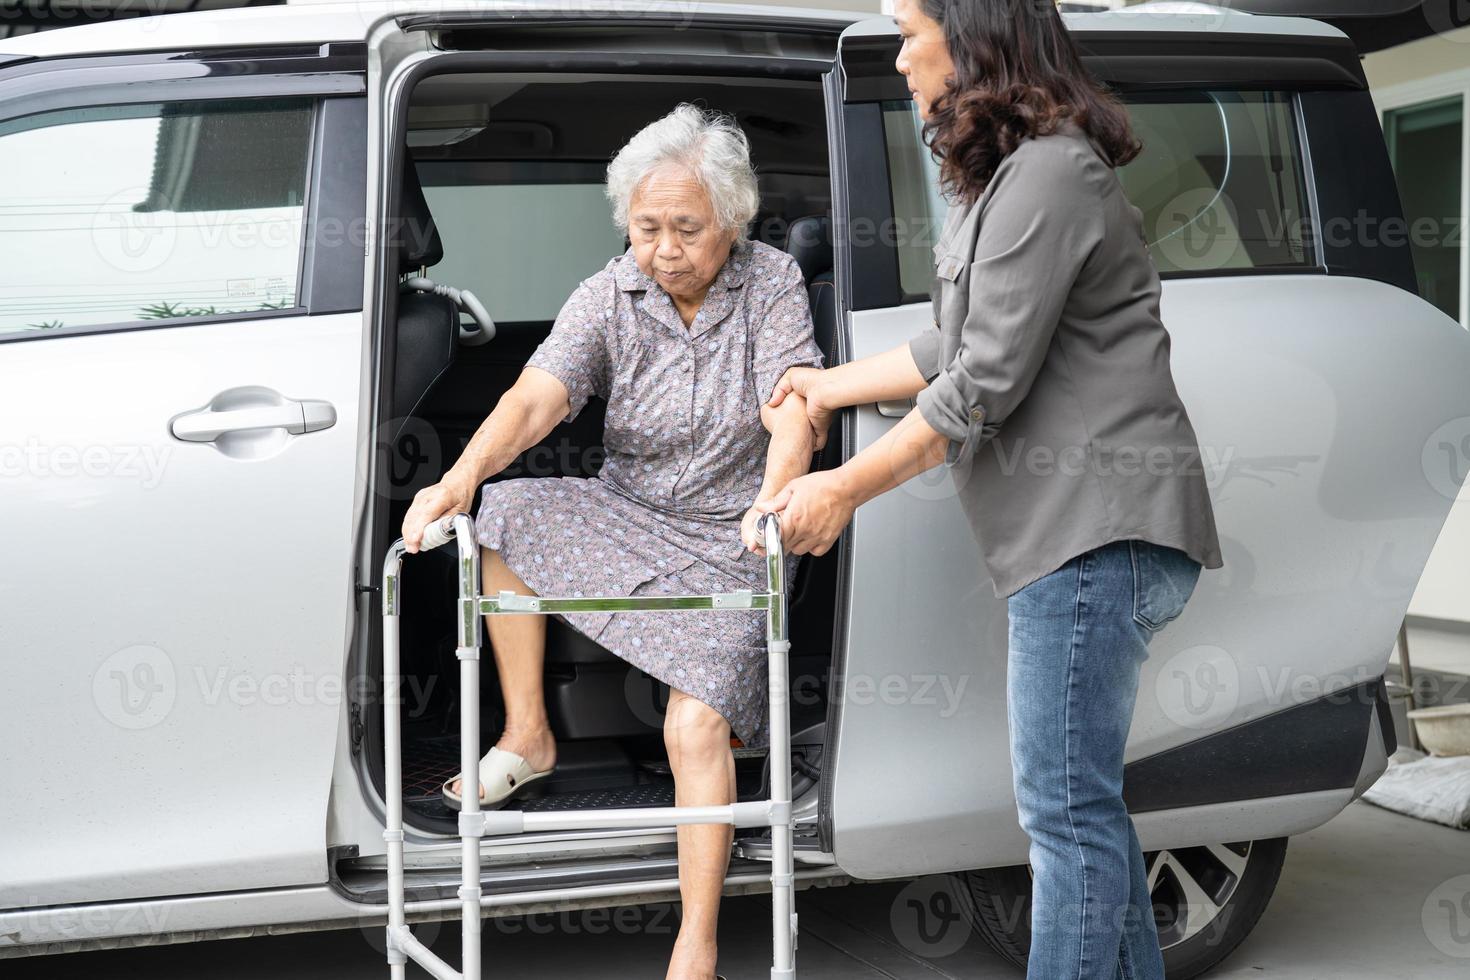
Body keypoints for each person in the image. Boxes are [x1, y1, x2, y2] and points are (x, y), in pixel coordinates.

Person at [757, 1, 1225, 978]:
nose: (898, 52)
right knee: (1081, 805)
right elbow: (952, 344)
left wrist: (843, 485)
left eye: (907, 27)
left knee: (1064, 810)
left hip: (1098, 532)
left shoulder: (1052, 173)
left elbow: (982, 385)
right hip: (1077, 535)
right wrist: (827, 384)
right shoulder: (1014, 178)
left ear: (969, 38)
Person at [401, 103, 824, 980]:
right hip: (628, 509)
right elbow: (538, 397)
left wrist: (778, 501)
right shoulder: (610, 291)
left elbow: (794, 407)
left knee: (696, 724)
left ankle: (695, 944)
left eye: (686, 229)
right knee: (504, 513)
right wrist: (457, 479)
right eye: (646, 227)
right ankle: (528, 736)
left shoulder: (772, 282)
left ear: (733, 222)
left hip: (729, 528)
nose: (664, 249)